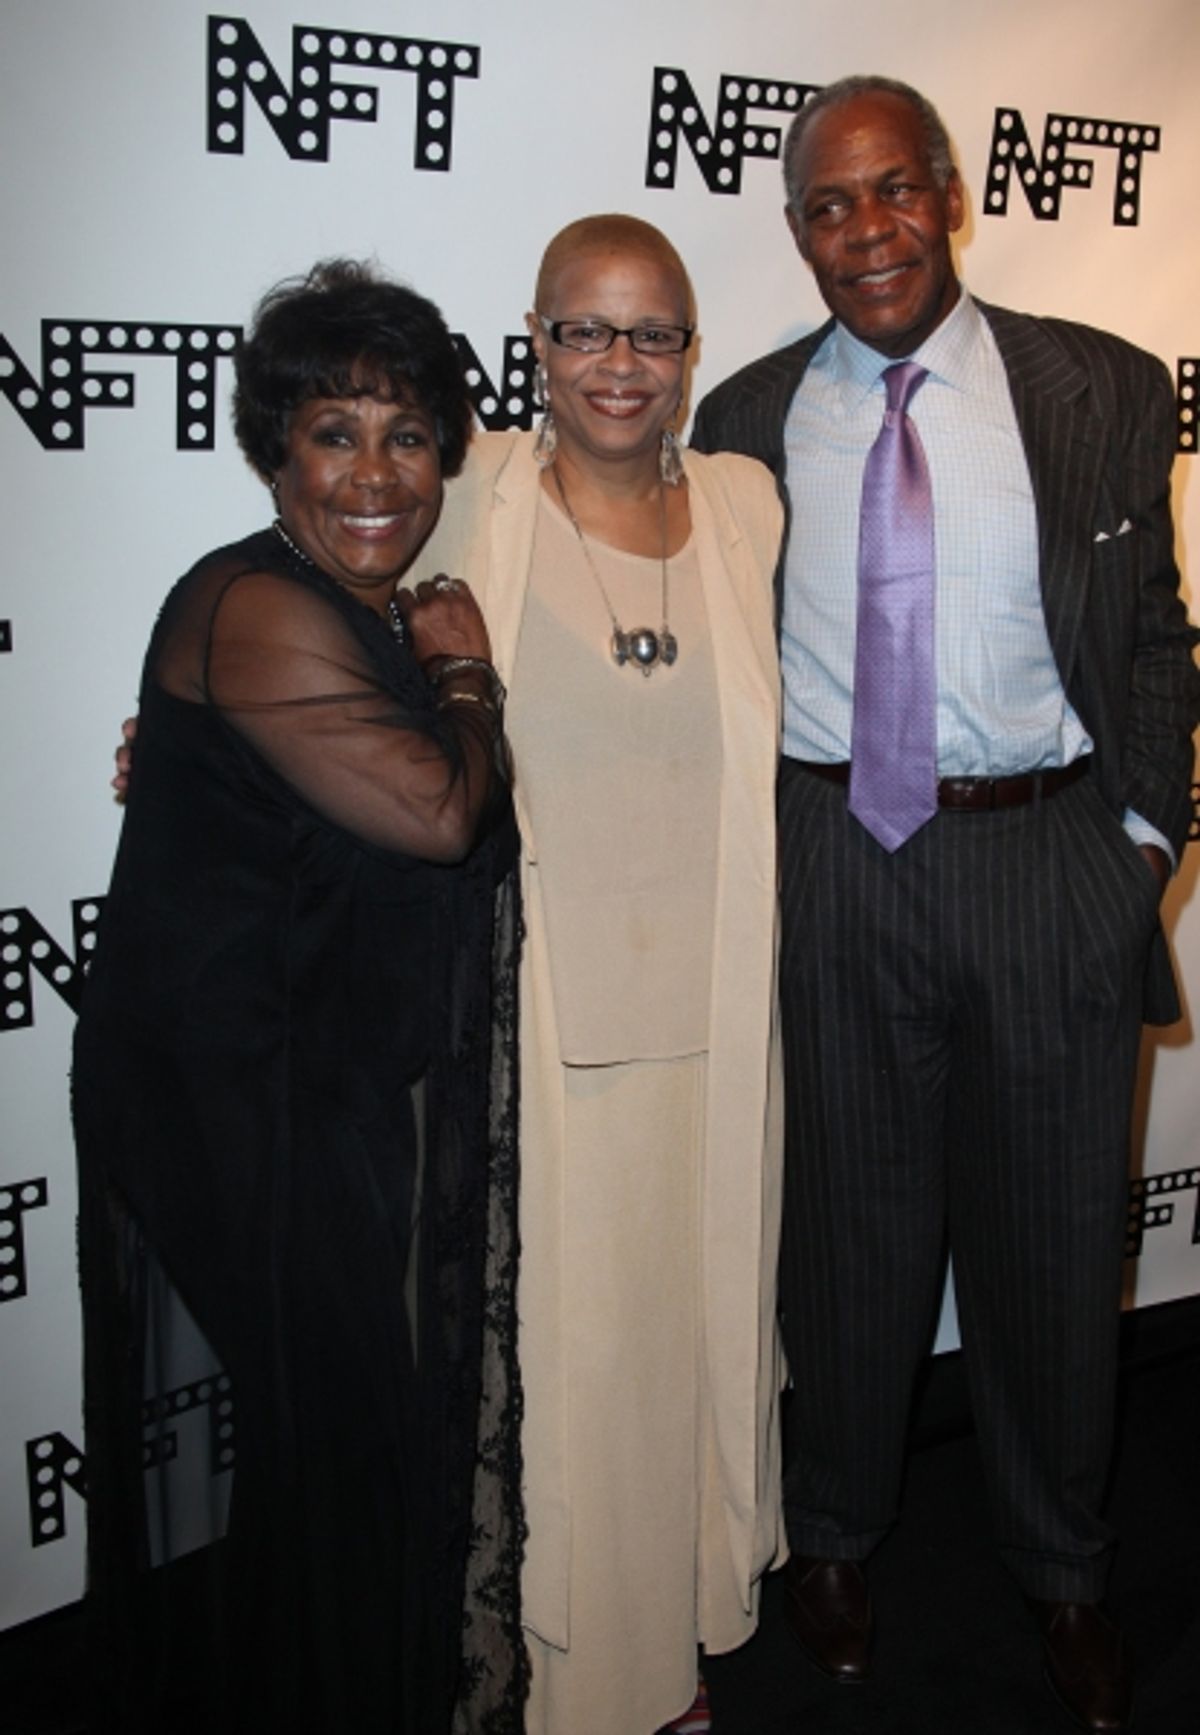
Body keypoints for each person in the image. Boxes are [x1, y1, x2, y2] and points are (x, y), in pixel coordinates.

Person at [691, 74, 1200, 1735]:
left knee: (1057, 1245)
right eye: (830, 207)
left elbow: (1150, 634)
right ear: (799, 233)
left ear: (951, 194)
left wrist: (1134, 843)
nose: (867, 231)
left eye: (893, 191)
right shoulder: (746, 422)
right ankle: (833, 1538)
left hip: (1047, 853)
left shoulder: (1105, 387)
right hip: (839, 858)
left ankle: (1063, 1569)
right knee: (843, 1242)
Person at [74, 260, 525, 1735]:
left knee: (330, 1449)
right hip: (234, 1105)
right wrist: (466, 681)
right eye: (335, 432)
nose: (378, 472)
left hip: (292, 1083)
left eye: (407, 434)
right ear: (276, 451)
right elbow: (444, 817)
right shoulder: (268, 607)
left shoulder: (345, 606)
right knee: (340, 1448)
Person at [409, 214, 788, 1734]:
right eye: (584, 331)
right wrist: (194, 736)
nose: (617, 367)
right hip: (549, 1031)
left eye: (651, 334)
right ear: (536, 345)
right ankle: (580, 1684)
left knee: (700, 1350)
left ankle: (680, 1639)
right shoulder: (471, 495)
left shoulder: (752, 505)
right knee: (574, 1373)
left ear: (692, 355)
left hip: (724, 1016)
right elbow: (314, 605)